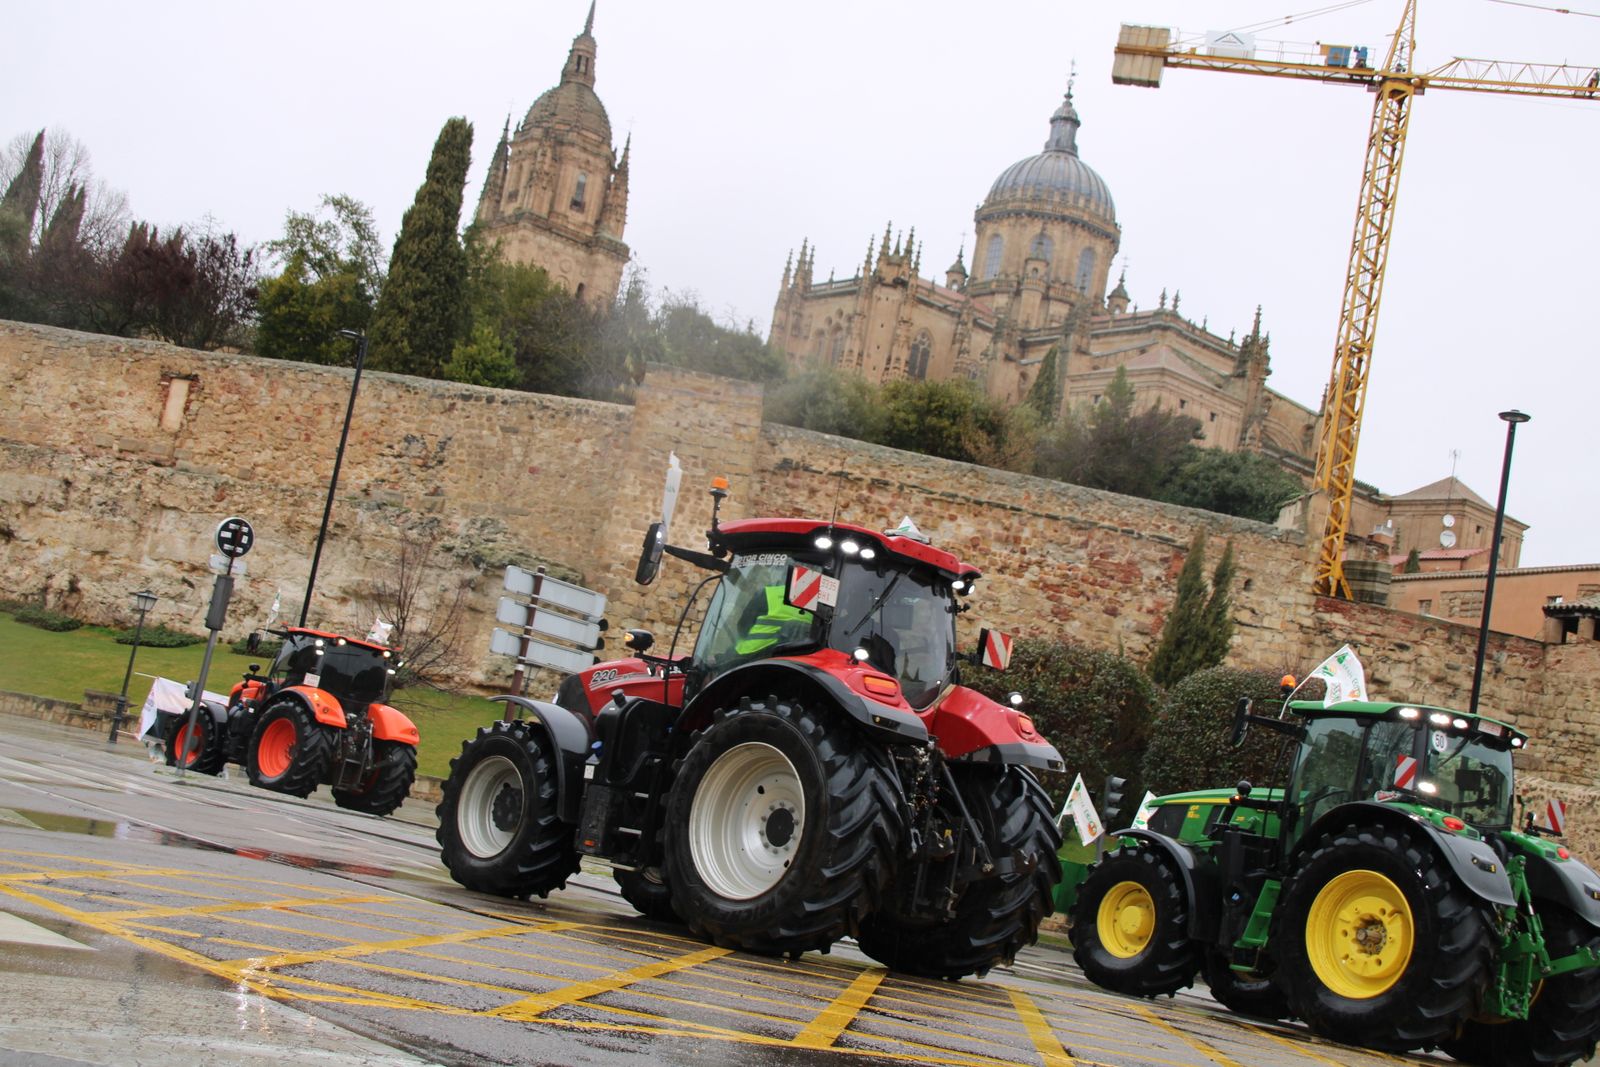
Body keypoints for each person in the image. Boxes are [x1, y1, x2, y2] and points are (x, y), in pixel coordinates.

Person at [734, 584, 813, 655]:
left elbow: (742, 629)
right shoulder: (809, 597)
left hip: (755, 656)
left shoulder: (764, 595)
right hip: (808, 653)